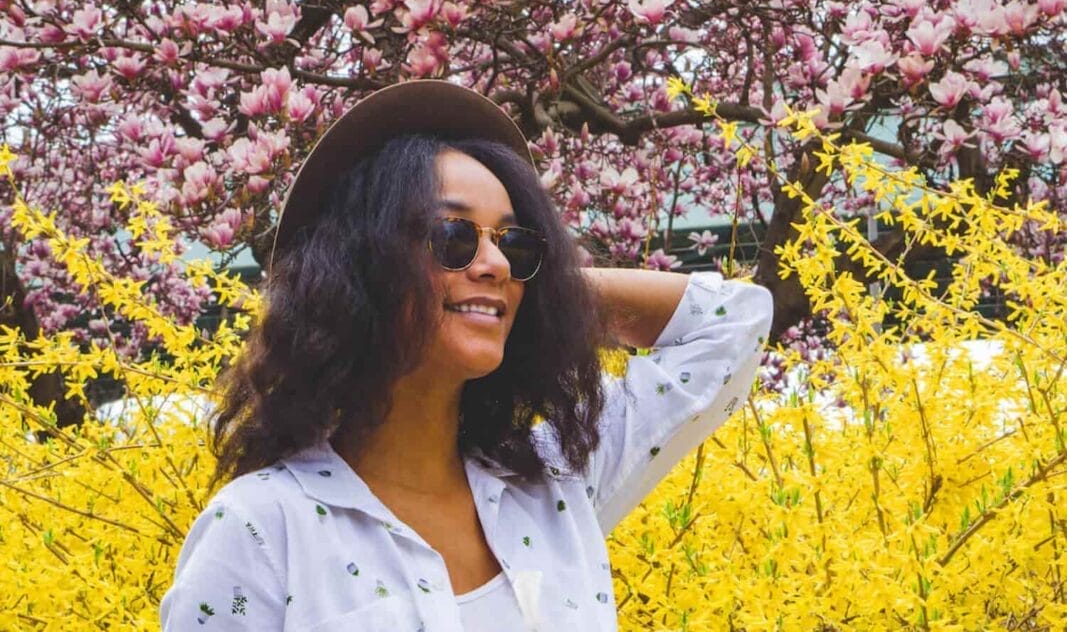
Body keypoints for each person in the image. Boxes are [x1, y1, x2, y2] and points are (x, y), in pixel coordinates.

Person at [160, 80, 773, 631]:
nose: (498, 262)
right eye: (452, 236)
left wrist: (543, 290)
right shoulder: (263, 530)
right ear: (361, 266)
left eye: (514, 244)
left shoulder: (554, 482)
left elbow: (734, 324)